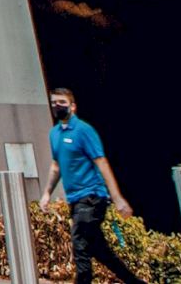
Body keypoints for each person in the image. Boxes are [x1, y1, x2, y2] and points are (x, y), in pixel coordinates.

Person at [40, 88, 144, 284]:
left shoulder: (84, 131)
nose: (57, 106)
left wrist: (117, 198)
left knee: (79, 243)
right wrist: (47, 193)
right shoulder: (54, 134)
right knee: (99, 250)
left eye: (62, 102)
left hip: (92, 197)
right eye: (54, 102)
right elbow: (56, 166)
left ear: (73, 106)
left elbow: (101, 162)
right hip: (75, 200)